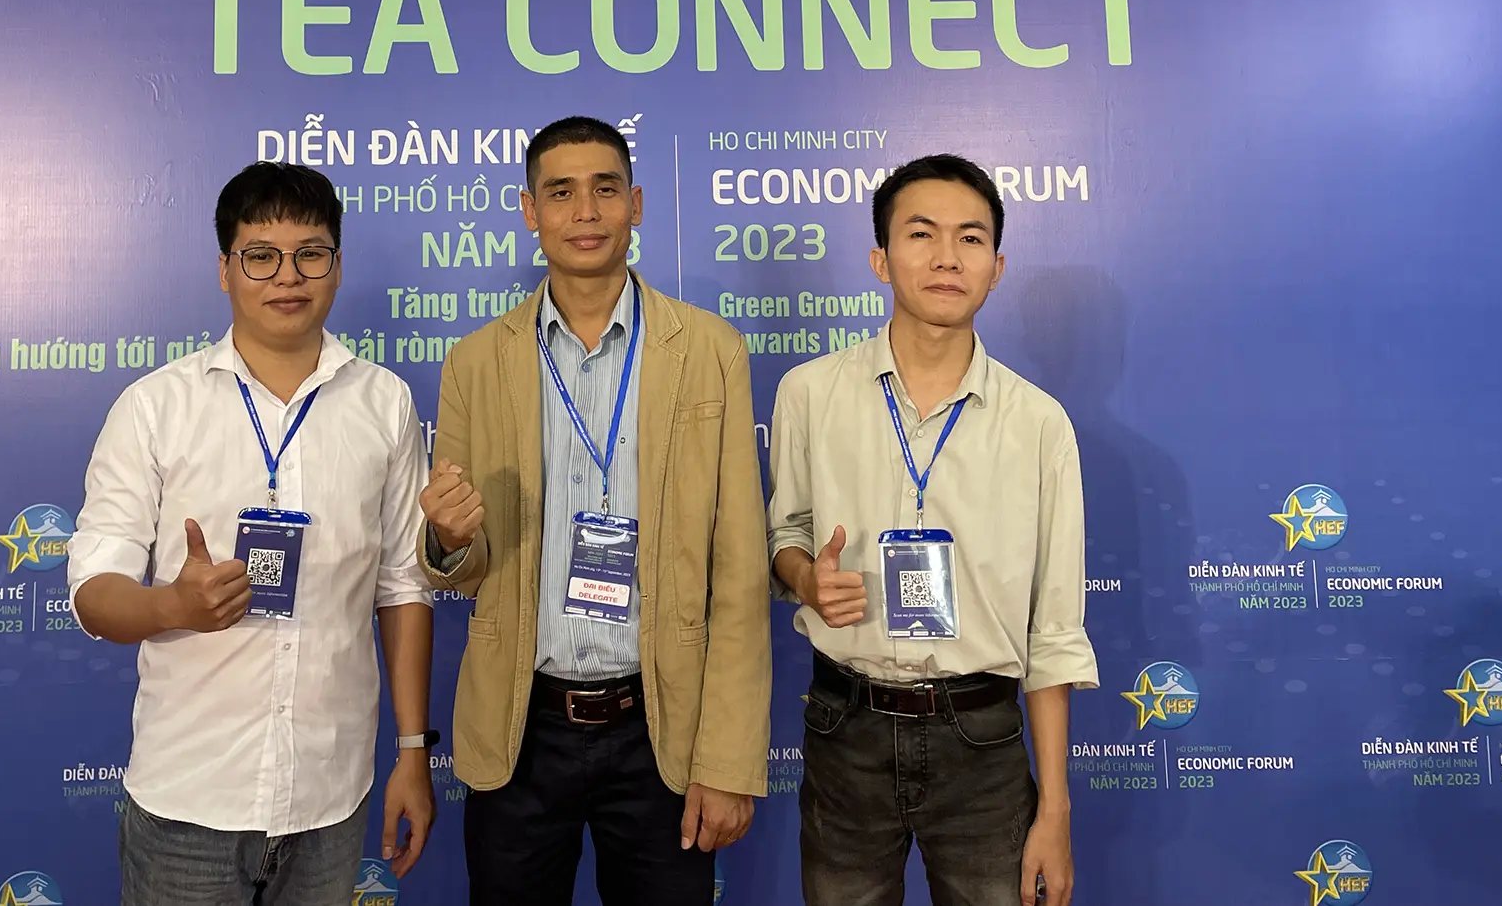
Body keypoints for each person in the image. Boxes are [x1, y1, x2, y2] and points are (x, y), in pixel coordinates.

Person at [420, 116, 771, 906]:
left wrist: (727, 758)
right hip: (522, 726)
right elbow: (465, 568)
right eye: (561, 192)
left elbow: (741, 571)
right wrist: (448, 537)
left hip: (662, 726)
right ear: (529, 210)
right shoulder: (476, 361)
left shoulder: (710, 350)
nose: (585, 211)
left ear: (636, 204)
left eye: (605, 188)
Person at [67, 162, 436, 906]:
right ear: (225, 270)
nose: (287, 276)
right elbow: (93, 593)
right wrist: (172, 605)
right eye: (261, 255)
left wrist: (411, 751)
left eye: (310, 253)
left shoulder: (385, 403)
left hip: (331, 796)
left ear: (337, 265)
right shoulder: (154, 407)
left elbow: (403, 584)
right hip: (189, 799)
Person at [768, 154, 1096, 906]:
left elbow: (1054, 629)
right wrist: (804, 577)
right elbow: (785, 534)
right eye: (922, 234)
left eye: (970, 238)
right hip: (845, 726)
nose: (948, 257)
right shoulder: (809, 393)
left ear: (997, 267)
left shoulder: (1039, 424)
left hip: (983, 739)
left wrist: (1055, 809)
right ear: (881, 259)